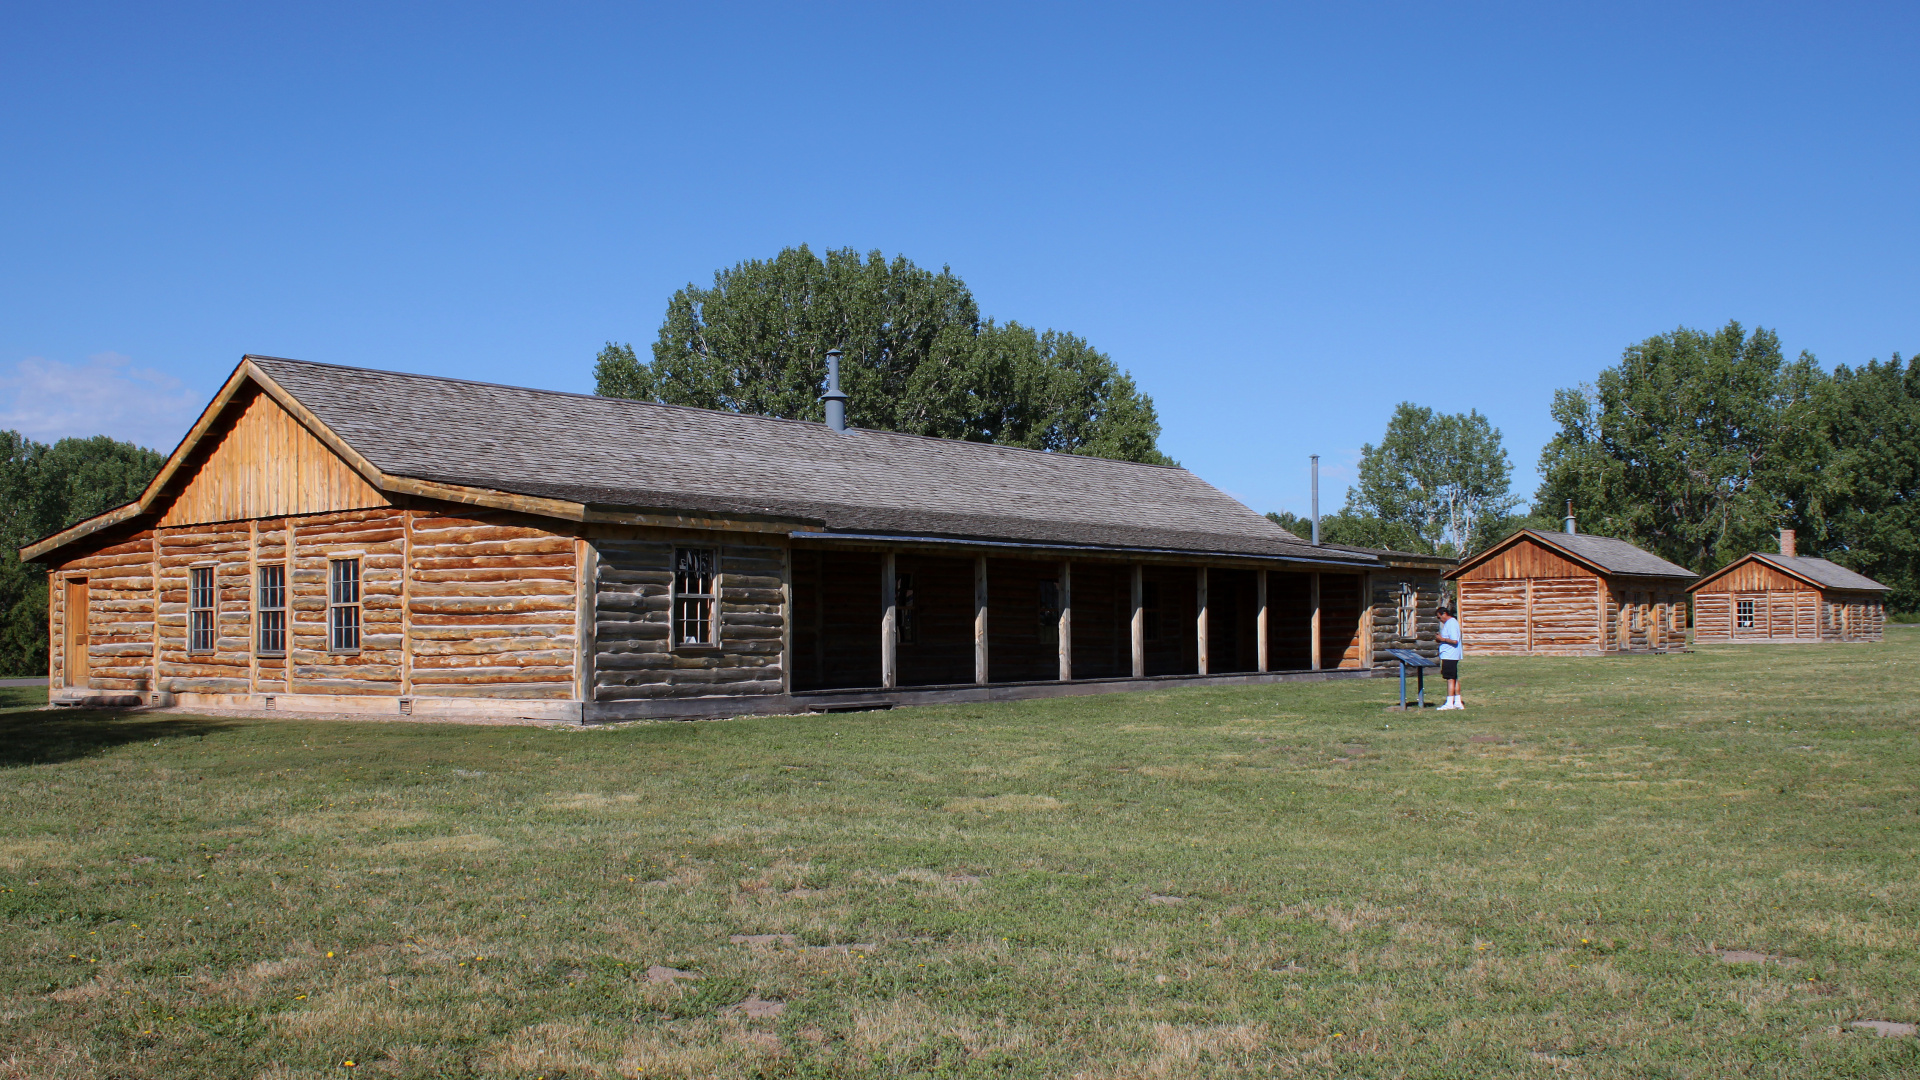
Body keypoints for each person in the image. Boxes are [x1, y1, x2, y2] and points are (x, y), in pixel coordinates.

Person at [1435, 603, 1464, 709]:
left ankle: (1449, 702)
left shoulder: (1451, 623)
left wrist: (1442, 639)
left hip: (1450, 655)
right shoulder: (1450, 623)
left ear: (1444, 613)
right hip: (1450, 654)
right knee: (1454, 677)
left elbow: (1454, 640)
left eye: (1439, 617)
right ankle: (1457, 701)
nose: (1440, 619)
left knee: (1450, 679)